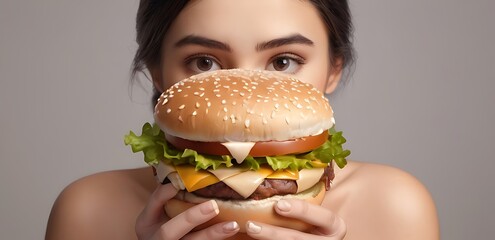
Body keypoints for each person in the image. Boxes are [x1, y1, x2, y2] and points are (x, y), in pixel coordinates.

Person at [45, 0, 439, 239]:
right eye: (204, 62)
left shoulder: (394, 207)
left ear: (333, 68)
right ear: (158, 71)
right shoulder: (89, 211)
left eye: (283, 62)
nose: (246, 94)